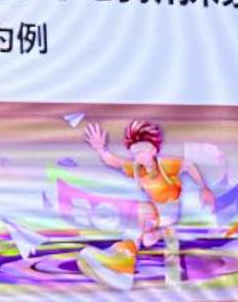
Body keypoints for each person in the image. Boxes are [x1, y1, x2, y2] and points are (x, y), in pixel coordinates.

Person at [78, 119, 215, 288]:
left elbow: (188, 165)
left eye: (143, 150)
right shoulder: (137, 169)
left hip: (169, 211)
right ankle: (124, 265)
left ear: (153, 150)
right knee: (139, 227)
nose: (139, 155)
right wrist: (101, 149)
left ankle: (128, 263)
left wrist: (204, 187)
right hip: (156, 212)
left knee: (141, 213)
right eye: (135, 151)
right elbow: (114, 162)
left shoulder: (165, 165)